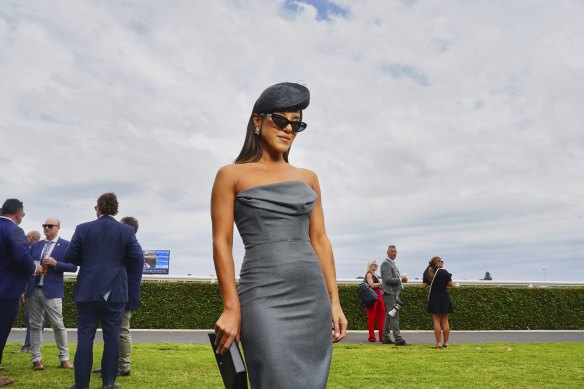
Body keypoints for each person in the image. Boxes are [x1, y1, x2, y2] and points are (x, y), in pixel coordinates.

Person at [211, 82, 347, 388]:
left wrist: (334, 301)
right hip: (262, 297)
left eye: (296, 124)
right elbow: (222, 242)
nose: (289, 129)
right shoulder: (230, 175)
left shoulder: (308, 178)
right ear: (258, 120)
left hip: (311, 299)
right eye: (281, 120)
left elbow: (320, 240)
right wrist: (231, 307)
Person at [64, 193, 144, 389]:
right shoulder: (126, 231)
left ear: (98, 208)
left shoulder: (83, 228)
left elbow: (70, 256)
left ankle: (81, 384)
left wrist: (90, 262)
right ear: (115, 209)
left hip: (87, 290)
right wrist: (117, 265)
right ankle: (108, 382)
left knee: (85, 337)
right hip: (115, 291)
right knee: (112, 337)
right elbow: (136, 257)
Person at [93, 216, 142, 377]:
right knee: (114, 331)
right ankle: (111, 364)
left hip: (124, 296)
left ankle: (123, 366)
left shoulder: (130, 248)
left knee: (121, 331)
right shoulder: (129, 246)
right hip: (118, 295)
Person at [26, 218, 77, 370]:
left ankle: (64, 359)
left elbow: (73, 267)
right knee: (35, 325)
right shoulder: (36, 246)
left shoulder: (66, 245)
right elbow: (27, 264)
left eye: (50, 226)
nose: (46, 228)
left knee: (58, 325)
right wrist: (33, 269)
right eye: (44, 226)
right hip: (33, 289)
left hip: (52, 291)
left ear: (58, 227)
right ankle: (36, 359)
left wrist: (56, 264)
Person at [0, 199, 41, 387]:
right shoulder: (14, 230)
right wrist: (33, 268)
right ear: (18, 214)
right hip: (6, 291)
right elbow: (23, 258)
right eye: (23, 215)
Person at [13, 230, 42, 354]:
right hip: (29, 289)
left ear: (32, 238)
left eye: (27, 237)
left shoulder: (31, 252)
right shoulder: (29, 251)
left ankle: (30, 345)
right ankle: (31, 345)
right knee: (31, 318)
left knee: (34, 319)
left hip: (34, 289)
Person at [422, 256, 454, 348]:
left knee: (436, 320)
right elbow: (451, 284)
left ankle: (438, 342)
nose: (443, 263)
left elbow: (424, 285)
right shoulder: (444, 272)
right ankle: (446, 342)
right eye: (442, 261)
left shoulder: (428, 272)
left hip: (433, 297)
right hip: (444, 297)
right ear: (438, 262)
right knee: (445, 320)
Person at [380, 244, 408, 346]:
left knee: (389, 315)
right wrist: (401, 279)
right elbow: (387, 279)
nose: (394, 253)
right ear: (387, 252)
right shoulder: (386, 264)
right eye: (392, 251)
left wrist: (400, 280)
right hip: (389, 293)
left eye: (395, 251)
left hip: (393, 293)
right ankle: (398, 339)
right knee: (394, 315)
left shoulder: (391, 263)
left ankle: (386, 337)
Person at [365, 260, 386, 342]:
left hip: (378, 296)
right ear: (370, 265)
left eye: (376, 265)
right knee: (371, 317)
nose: (376, 266)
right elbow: (371, 285)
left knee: (382, 315)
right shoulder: (369, 274)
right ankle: (371, 337)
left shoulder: (375, 275)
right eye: (374, 265)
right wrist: (380, 284)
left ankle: (382, 336)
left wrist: (379, 285)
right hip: (372, 297)